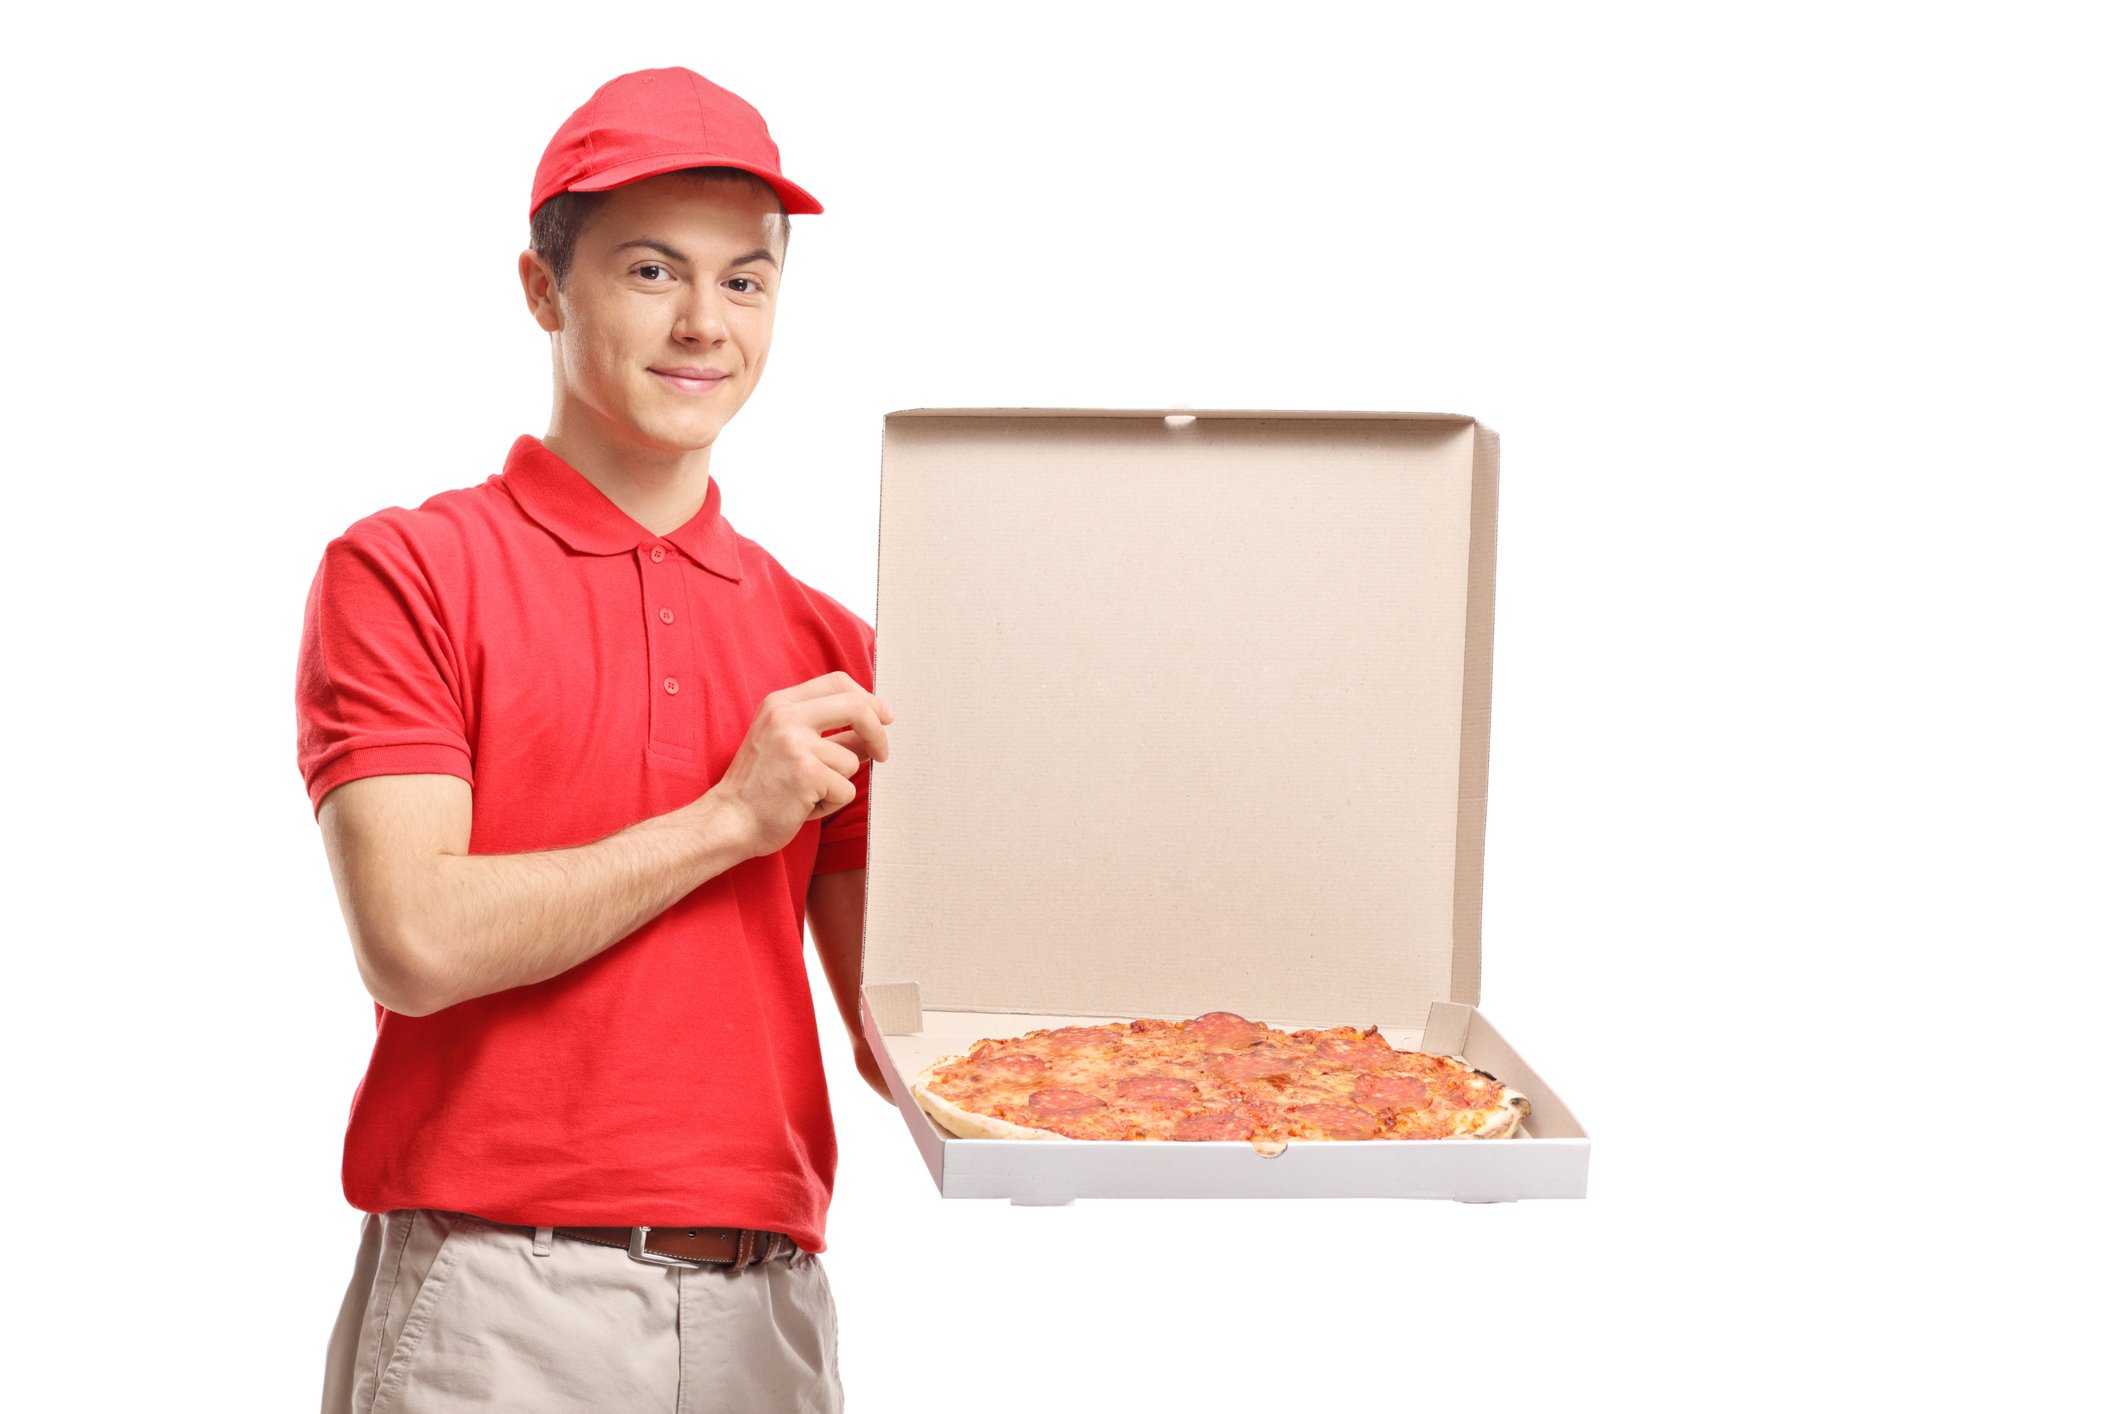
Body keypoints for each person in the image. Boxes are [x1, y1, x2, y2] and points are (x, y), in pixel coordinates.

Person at [299, 67, 889, 1413]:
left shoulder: (833, 649)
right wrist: (734, 817)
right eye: (648, 270)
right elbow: (417, 938)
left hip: (769, 1310)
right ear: (541, 288)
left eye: (745, 280)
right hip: (499, 1307)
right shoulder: (407, 570)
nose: (703, 324)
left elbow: (901, 1031)